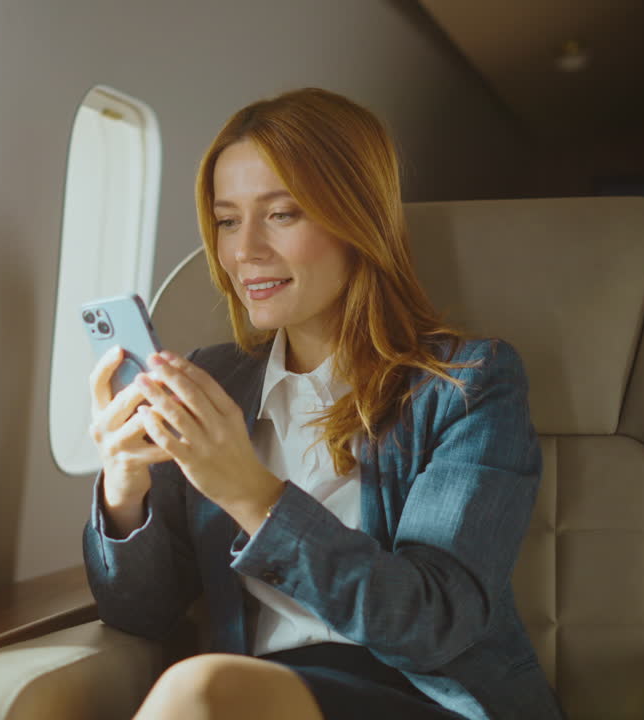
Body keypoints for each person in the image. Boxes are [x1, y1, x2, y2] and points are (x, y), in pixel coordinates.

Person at [82, 88, 562, 720]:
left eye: (282, 214)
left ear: (357, 220)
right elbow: (139, 612)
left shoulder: (469, 384)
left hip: (426, 699)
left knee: (200, 693)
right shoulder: (214, 380)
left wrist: (250, 492)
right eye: (227, 221)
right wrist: (126, 488)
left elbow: (432, 620)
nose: (244, 250)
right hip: (268, 696)